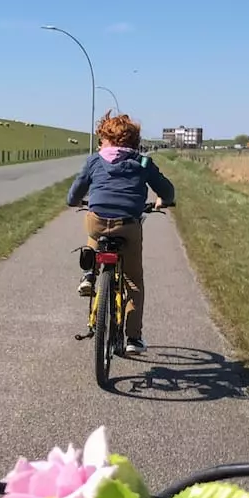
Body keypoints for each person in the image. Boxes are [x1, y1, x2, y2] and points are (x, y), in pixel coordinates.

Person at [66, 111, 176, 354]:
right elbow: (167, 191)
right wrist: (163, 201)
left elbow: (73, 195)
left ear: (105, 138)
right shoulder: (143, 163)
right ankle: (133, 338)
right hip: (128, 224)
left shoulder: (94, 161)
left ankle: (89, 273)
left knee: (95, 230)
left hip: (97, 221)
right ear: (134, 141)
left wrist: (75, 202)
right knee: (133, 281)